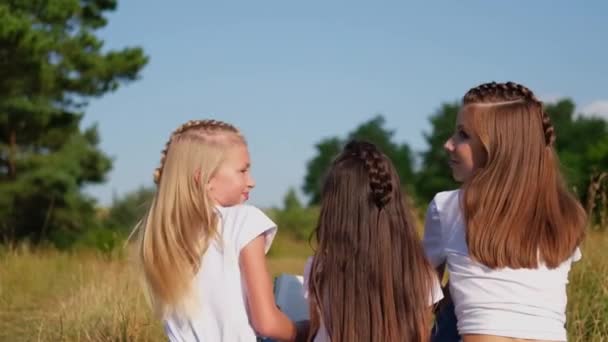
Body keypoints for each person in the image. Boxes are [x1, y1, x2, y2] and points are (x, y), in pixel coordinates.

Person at [424, 82, 587, 342]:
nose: (448, 144)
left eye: (463, 135)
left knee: (447, 302)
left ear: (498, 149)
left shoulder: (448, 207)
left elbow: (422, 298)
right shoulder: (565, 214)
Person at [130, 119, 305, 341]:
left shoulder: (161, 236)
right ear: (204, 178)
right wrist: (306, 331)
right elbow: (267, 324)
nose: (251, 182)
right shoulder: (244, 220)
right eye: (242, 171)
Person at [305, 140, 443, 342]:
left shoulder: (319, 270)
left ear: (335, 213)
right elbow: (422, 336)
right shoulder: (420, 274)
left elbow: (315, 330)